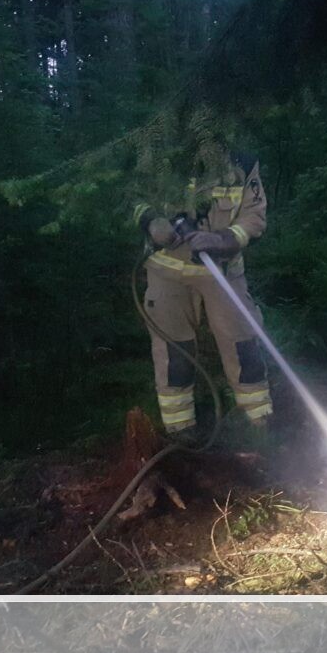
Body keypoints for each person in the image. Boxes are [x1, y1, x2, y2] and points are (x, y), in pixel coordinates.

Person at [131, 147, 273, 439]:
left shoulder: (243, 161)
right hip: (166, 271)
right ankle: (180, 429)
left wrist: (223, 239)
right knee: (174, 349)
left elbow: (253, 216)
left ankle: (258, 423)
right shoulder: (160, 146)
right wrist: (151, 221)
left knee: (243, 342)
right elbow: (131, 196)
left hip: (223, 271)